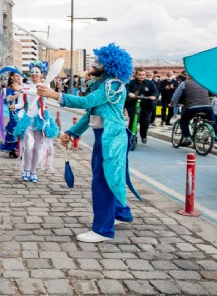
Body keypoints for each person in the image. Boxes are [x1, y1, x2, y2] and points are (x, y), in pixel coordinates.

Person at [37, 43, 140, 242]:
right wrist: (72, 132)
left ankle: (103, 230)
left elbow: (86, 103)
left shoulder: (113, 84)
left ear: (110, 64)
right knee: (109, 177)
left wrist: (55, 95)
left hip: (112, 138)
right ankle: (121, 213)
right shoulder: (103, 83)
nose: (94, 63)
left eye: (99, 61)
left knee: (102, 182)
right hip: (105, 137)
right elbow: (90, 114)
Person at [14, 61, 59, 183]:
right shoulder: (25, 87)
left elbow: (39, 94)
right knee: (28, 146)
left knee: (36, 148)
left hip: (40, 120)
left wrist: (22, 91)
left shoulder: (45, 87)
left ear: (41, 74)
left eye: (36, 72)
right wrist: (15, 106)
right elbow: (21, 103)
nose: (34, 74)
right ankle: (26, 170)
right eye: (32, 72)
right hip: (27, 119)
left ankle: (33, 171)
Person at [170, 77, 217, 146]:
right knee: (212, 124)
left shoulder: (184, 83)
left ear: (189, 76)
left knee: (183, 121)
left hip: (192, 107)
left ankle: (187, 138)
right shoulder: (204, 83)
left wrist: (172, 103)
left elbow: (176, 96)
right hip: (208, 107)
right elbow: (211, 94)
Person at [0, 69, 23, 158]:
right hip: (14, 110)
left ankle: (20, 148)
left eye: (19, 76)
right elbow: (7, 99)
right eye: (16, 76)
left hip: (23, 110)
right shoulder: (9, 88)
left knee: (22, 128)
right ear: (11, 77)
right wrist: (18, 93)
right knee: (14, 127)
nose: (18, 77)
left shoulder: (22, 86)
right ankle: (12, 148)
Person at [125, 69, 159, 144]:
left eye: (143, 75)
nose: (141, 76)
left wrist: (153, 96)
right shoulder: (131, 82)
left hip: (146, 104)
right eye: (139, 75)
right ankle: (131, 136)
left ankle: (143, 135)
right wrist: (129, 93)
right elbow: (125, 89)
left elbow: (155, 91)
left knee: (145, 121)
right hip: (133, 104)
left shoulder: (149, 83)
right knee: (134, 119)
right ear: (136, 75)